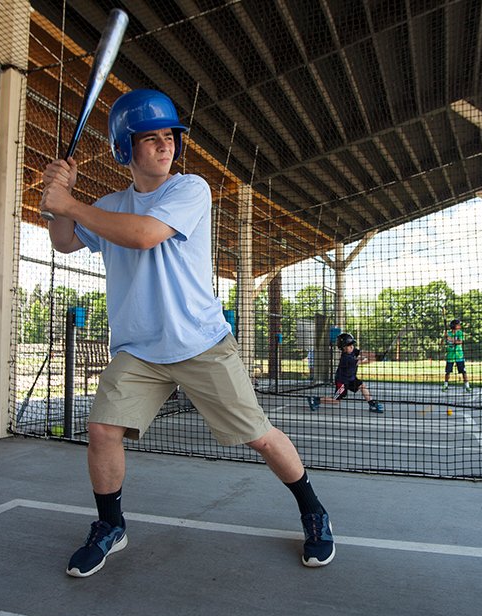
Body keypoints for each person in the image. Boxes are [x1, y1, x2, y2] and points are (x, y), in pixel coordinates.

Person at [40, 89, 335, 577]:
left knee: (258, 436)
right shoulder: (109, 203)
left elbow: (143, 234)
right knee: (101, 430)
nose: (164, 146)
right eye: (150, 138)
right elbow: (66, 243)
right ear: (124, 149)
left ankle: (313, 510)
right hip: (138, 351)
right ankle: (110, 525)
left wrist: (70, 200)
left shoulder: (190, 189)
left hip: (201, 343)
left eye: (170, 137)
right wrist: (56, 206)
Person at [306, 332, 383, 413]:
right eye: (350, 346)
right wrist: (376, 359)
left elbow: (364, 353)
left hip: (351, 379)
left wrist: (376, 355)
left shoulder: (352, 350)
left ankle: (372, 404)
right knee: (336, 401)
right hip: (342, 382)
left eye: (352, 345)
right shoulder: (346, 358)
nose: (352, 347)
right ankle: (315, 400)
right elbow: (362, 361)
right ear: (344, 348)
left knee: (362, 386)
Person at [442, 319, 471, 391]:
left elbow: (460, 342)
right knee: (448, 371)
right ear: (454, 326)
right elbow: (441, 344)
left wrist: (450, 339)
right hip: (450, 355)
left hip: (459, 355)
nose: (459, 326)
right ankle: (445, 385)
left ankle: (467, 386)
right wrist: (444, 337)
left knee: (463, 371)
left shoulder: (460, 333)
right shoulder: (448, 333)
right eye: (458, 324)